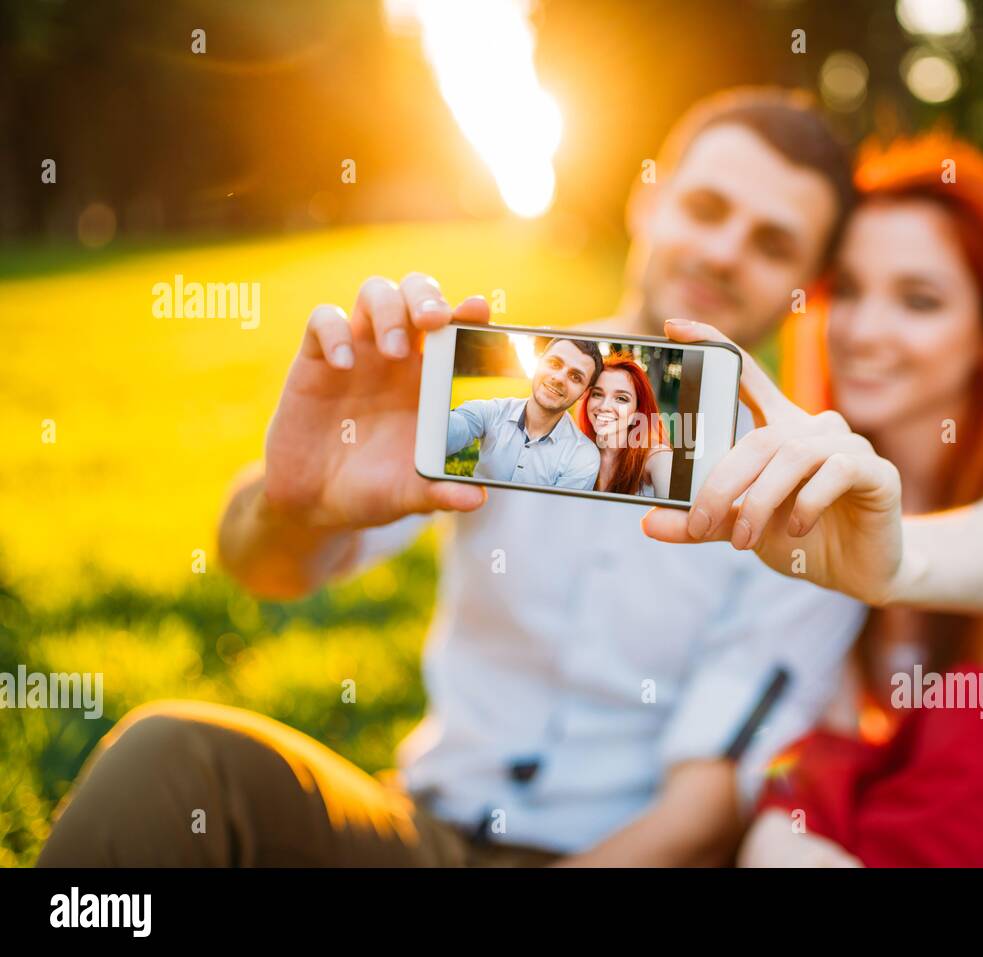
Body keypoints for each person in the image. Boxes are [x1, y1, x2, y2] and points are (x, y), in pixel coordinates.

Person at [37, 87, 864, 868]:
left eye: (773, 243)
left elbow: (704, 806)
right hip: (424, 829)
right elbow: (264, 566)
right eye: (707, 209)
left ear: (805, 290)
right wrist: (296, 504)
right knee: (170, 760)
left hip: (616, 857)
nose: (724, 252)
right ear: (647, 201)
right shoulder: (504, 383)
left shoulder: (807, 497)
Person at [644, 133, 983, 867]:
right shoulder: (822, 482)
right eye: (849, 291)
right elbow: (819, 754)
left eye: (919, 300)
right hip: (893, 832)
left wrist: (895, 561)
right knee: (790, 811)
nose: (863, 331)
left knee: (980, 717)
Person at [448, 337, 603, 490]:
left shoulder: (583, 456)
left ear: (584, 393)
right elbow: (455, 426)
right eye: (554, 363)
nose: (559, 378)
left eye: (575, 377)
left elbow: (558, 513)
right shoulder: (493, 411)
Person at [577, 351, 673, 497]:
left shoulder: (658, 457)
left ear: (637, 411)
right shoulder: (576, 453)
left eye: (621, 398)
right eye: (597, 394)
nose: (604, 406)